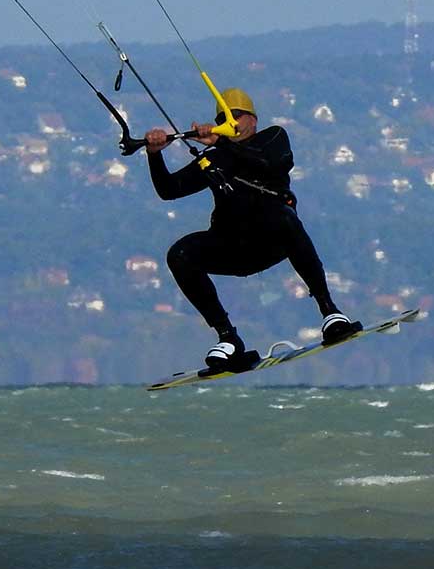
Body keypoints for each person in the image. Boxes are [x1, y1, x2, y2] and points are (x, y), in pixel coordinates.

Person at [145, 87, 359, 371]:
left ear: (253, 120)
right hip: (232, 245)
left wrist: (222, 142)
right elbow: (169, 190)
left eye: (237, 116)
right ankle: (228, 338)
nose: (231, 121)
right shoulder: (215, 156)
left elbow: (268, 163)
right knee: (180, 253)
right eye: (224, 117)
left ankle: (330, 312)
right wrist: (154, 154)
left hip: (273, 240)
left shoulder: (273, 137)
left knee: (283, 216)